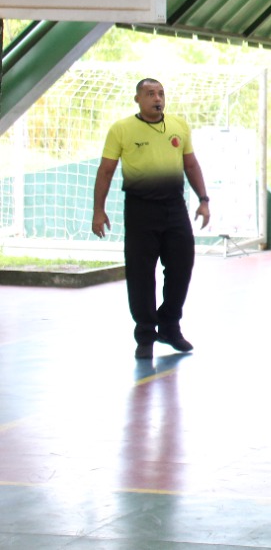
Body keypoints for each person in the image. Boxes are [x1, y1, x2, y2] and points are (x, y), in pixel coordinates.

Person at [92, 78, 211, 360]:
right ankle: (145, 334)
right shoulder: (121, 129)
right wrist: (98, 209)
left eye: (160, 93)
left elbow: (191, 164)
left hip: (174, 207)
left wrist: (204, 200)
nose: (157, 98)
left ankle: (169, 326)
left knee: (182, 266)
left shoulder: (179, 126)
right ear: (138, 99)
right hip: (140, 209)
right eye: (149, 94)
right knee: (141, 274)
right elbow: (106, 170)